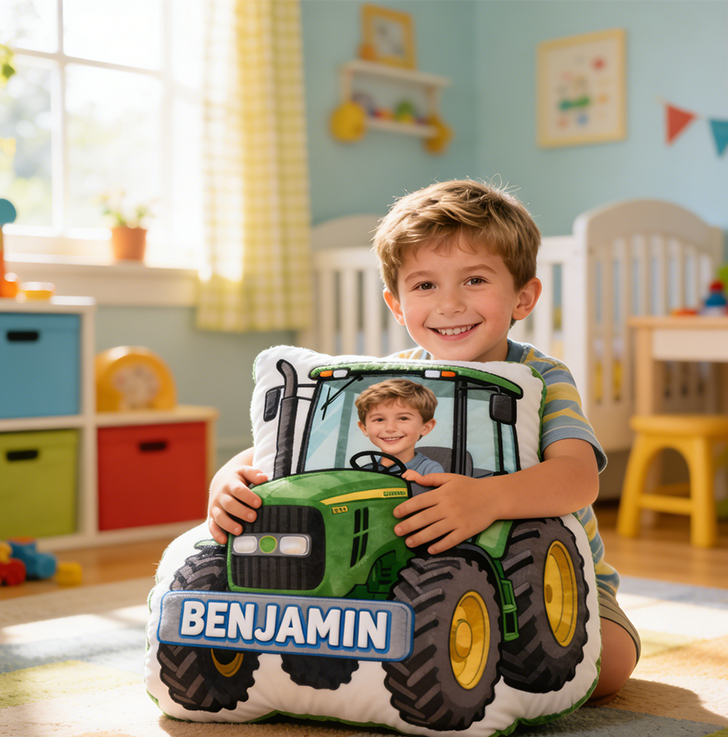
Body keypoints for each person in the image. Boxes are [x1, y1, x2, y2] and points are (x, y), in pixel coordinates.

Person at [206, 177, 639, 704]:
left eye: (475, 280)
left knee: (608, 666)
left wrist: (488, 498)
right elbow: (286, 449)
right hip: (414, 566)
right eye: (425, 286)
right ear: (396, 303)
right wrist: (230, 476)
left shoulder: (542, 377)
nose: (450, 304)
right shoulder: (387, 381)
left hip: (545, 578)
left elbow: (578, 477)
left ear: (523, 296)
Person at [354, 378, 443, 489]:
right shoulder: (362, 473)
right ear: (364, 428)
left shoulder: (429, 470)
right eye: (379, 420)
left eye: (403, 418)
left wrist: (418, 487)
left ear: (426, 427)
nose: (390, 428)